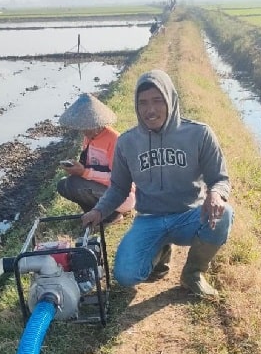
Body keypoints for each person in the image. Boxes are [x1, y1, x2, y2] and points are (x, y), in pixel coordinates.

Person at [81, 69, 233, 299]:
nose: (150, 110)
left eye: (157, 101)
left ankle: (192, 273)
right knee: (126, 276)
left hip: (189, 216)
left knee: (224, 214)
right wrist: (99, 210)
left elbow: (220, 179)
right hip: (150, 219)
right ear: (136, 106)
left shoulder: (199, 134)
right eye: (142, 103)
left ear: (170, 99)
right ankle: (160, 250)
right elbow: (119, 188)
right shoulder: (127, 142)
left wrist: (216, 194)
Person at [57, 92, 135, 224]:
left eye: (86, 127)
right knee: (63, 185)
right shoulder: (88, 137)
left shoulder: (114, 140)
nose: (83, 131)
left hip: (124, 195)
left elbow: (118, 179)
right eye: (82, 127)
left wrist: (85, 173)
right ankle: (93, 213)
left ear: (98, 123)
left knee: (73, 184)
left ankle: (112, 215)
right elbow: (89, 165)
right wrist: (77, 167)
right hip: (102, 189)